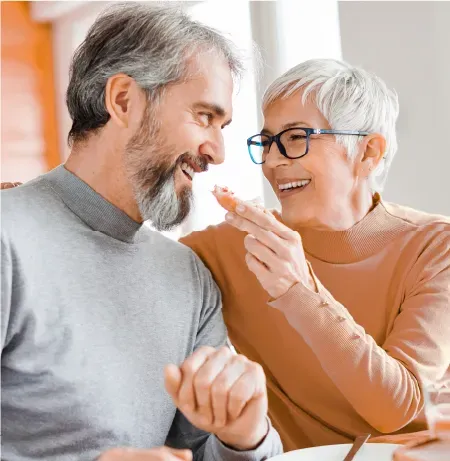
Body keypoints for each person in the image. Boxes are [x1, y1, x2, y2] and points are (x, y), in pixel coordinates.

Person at [0, 3, 283, 461]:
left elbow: (199, 451)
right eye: (205, 117)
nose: (218, 151)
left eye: (224, 125)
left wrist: (244, 438)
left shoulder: (188, 276)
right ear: (124, 101)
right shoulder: (8, 237)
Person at [181, 58, 450, 450]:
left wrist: (298, 290)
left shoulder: (434, 246)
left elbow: (398, 407)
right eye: (268, 142)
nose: (273, 162)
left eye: (295, 138)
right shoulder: (240, 242)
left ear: (368, 152)